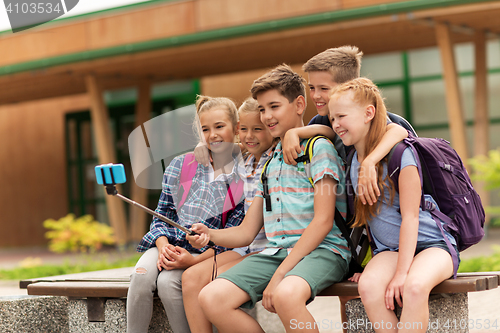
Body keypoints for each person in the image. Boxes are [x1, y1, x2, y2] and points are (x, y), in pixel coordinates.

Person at [188, 64, 350, 333]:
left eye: (274, 107)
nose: (266, 116)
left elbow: (322, 223)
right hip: (278, 252)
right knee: (211, 297)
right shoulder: (270, 161)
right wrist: (210, 234)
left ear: (299, 104)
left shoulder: (318, 149)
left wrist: (280, 274)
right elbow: (247, 232)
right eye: (262, 109)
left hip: (324, 250)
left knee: (286, 295)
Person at [329, 78, 457, 332]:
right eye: (332, 119)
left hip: (432, 245)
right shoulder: (354, 161)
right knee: (368, 287)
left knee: (414, 286)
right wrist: (363, 267)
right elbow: (366, 222)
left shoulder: (400, 155)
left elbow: (410, 218)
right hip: (389, 250)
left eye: (341, 116)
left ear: (369, 113)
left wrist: (401, 274)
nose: (335, 125)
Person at [126, 96, 246, 333]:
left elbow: (234, 237)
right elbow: (161, 214)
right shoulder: (180, 165)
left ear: (236, 127)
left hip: (205, 252)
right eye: (205, 129)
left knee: (169, 283)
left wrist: (191, 260)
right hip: (168, 244)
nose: (212, 135)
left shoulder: (243, 174)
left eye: (219, 126)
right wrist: (163, 247)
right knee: (141, 276)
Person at [182, 97, 277, 333]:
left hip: (267, 248)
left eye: (257, 129)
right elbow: (225, 144)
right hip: (245, 247)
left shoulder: (275, 158)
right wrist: (201, 146)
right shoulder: (244, 158)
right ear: (237, 130)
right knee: (191, 279)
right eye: (243, 129)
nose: (249, 135)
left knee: (212, 289)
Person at [282, 45, 408, 206]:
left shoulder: (372, 118)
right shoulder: (318, 123)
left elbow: (398, 131)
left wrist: (369, 162)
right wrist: (294, 132)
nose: (315, 95)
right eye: (312, 88)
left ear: (348, 86)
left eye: (324, 88)